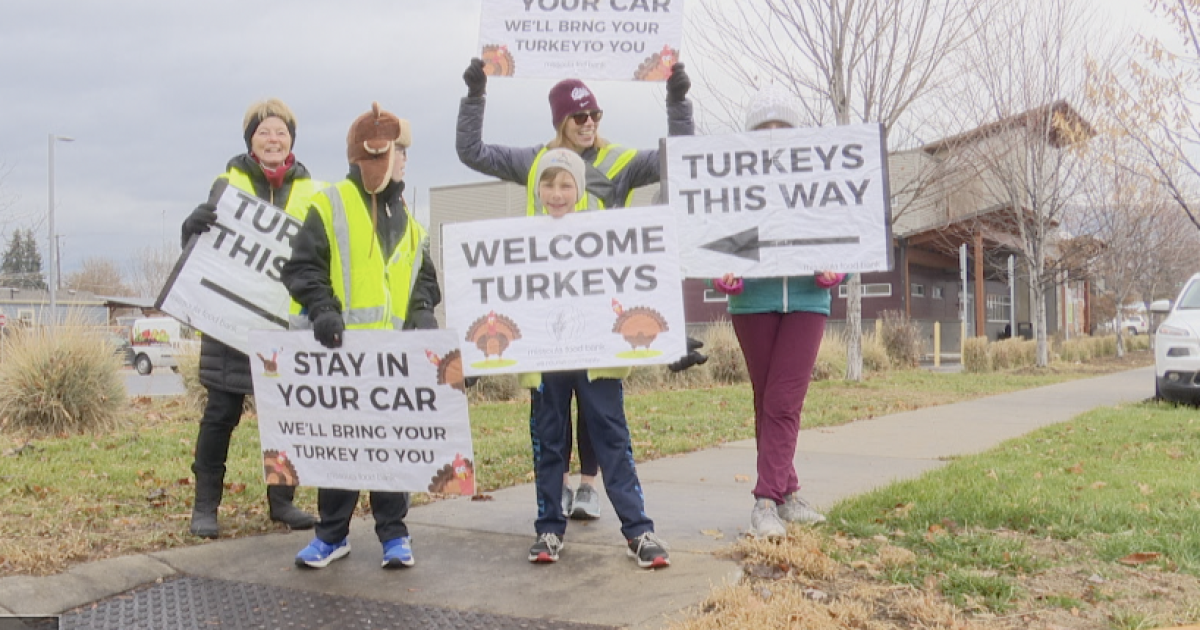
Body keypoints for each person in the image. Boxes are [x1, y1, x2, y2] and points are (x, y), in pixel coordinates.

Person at [456, 58, 695, 522]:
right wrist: (475, 95)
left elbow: (680, 159)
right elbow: (472, 152)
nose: (589, 125)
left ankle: (589, 486)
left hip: (601, 309)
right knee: (550, 414)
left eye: (595, 116)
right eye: (579, 118)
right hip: (545, 310)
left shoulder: (621, 162)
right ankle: (557, 492)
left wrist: (677, 103)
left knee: (598, 409)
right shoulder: (534, 163)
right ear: (561, 122)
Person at [282, 102, 440, 570]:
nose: (402, 161)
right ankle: (332, 535)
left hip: (390, 362)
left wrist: (425, 314)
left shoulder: (411, 225)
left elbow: (422, 282)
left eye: (403, 154)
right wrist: (324, 311)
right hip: (339, 355)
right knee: (342, 450)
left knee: (389, 450)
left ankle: (394, 533)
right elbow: (303, 268)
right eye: (397, 153)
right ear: (372, 157)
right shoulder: (329, 204)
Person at [515, 148, 669, 568]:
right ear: (538, 189)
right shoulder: (518, 240)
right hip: (546, 356)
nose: (557, 193)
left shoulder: (606, 234)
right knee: (549, 442)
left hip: (597, 357)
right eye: (548, 184)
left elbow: (638, 281)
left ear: (580, 190)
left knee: (612, 438)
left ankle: (638, 530)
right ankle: (548, 527)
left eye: (566, 184)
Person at [710, 87, 848, 541]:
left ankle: (764, 502)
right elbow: (717, 239)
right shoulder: (734, 186)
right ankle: (787, 494)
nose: (773, 137)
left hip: (807, 299)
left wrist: (837, 270)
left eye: (782, 129)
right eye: (763, 130)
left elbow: (845, 233)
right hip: (753, 301)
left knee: (784, 401)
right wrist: (721, 273)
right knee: (767, 400)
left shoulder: (820, 182)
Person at [181, 98, 320, 539]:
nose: (273, 139)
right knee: (220, 414)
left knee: (284, 416)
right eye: (264, 132)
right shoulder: (228, 182)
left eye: (280, 132)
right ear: (250, 141)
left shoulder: (313, 191)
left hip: (283, 326)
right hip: (230, 324)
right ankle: (205, 506)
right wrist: (191, 226)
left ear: (291, 140)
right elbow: (202, 251)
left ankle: (283, 503)